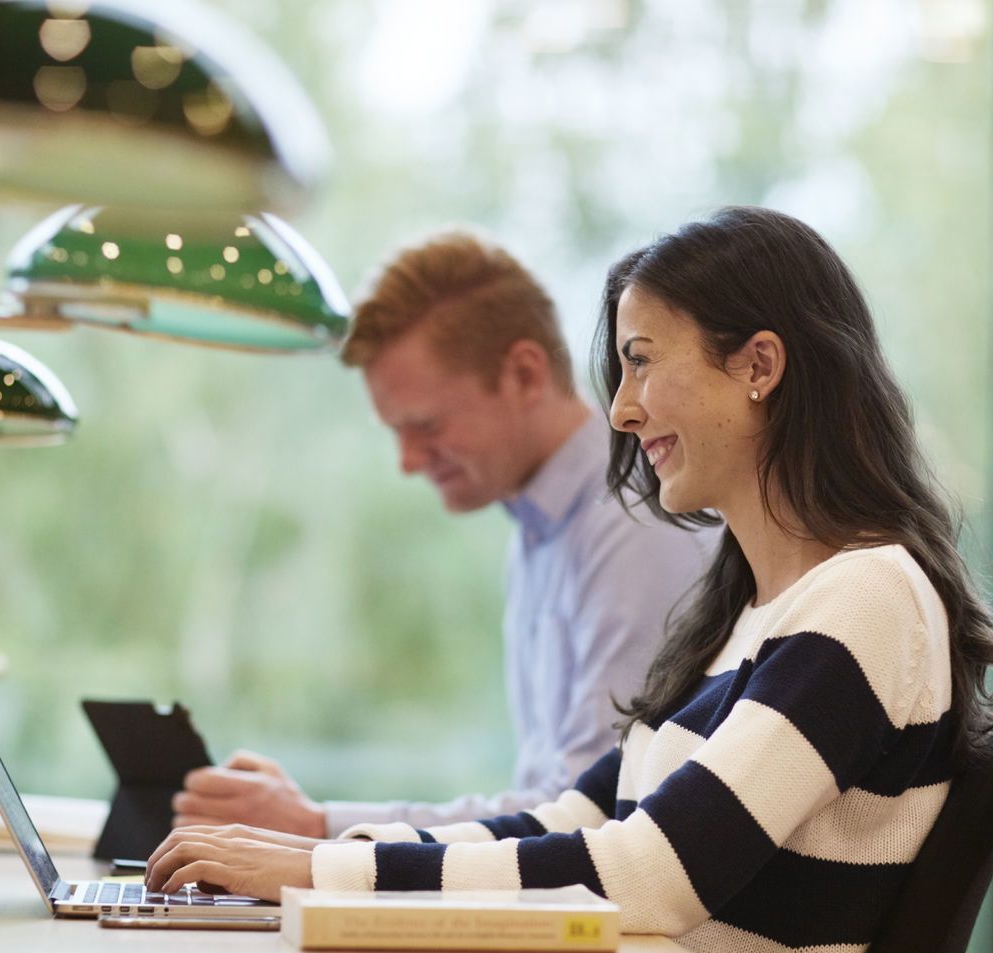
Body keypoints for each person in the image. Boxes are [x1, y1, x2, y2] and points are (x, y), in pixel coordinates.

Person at [146, 207, 993, 953]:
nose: (621, 409)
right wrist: (334, 857)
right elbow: (575, 818)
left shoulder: (866, 596)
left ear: (759, 366)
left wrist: (327, 865)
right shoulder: (746, 613)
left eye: (642, 359)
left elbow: (653, 873)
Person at [172, 231, 709, 838]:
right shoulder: (541, 526)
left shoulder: (633, 525)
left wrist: (319, 825)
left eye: (426, 425)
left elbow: (586, 818)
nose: (406, 461)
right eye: (395, 431)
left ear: (525, 374)